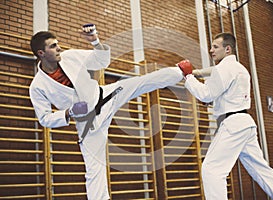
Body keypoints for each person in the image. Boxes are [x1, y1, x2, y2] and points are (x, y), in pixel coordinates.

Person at [29, 24, 187, 200]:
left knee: (141, 82)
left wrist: (95, 41)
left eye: (57, 44)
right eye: (53, 46)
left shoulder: (70, 56)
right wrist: (68, 113)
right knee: (94, 170)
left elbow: (101, 60)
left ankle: (180, 72)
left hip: (106, 96)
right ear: (41, 53)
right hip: (88, 124)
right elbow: (44, 118)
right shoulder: (37, 86)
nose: (59, 48)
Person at [177, 33, 273, 200]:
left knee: (212, 169)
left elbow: (206, 94)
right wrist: (202, 82)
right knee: (261, 169)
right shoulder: (239, 68)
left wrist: (188, 76)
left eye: (215, 47)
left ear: (228, 49)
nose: (211, 50)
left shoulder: (224, 69)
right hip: (245, 123)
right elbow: (224, 93)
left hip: (233, 124)